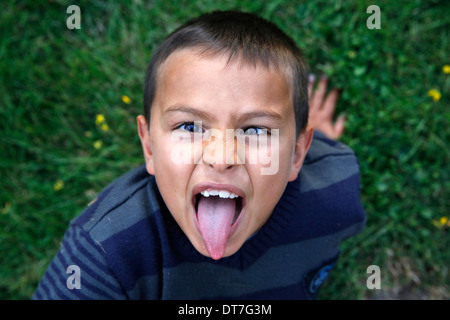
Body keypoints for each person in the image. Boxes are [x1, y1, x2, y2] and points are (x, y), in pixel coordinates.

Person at [33, 10, 365, 300]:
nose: (221, 158)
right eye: (190, 127)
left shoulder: (334, 189)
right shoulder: (106, 251)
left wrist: (319, 138)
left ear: (297, 155)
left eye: (255, 130)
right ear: (148, 146)